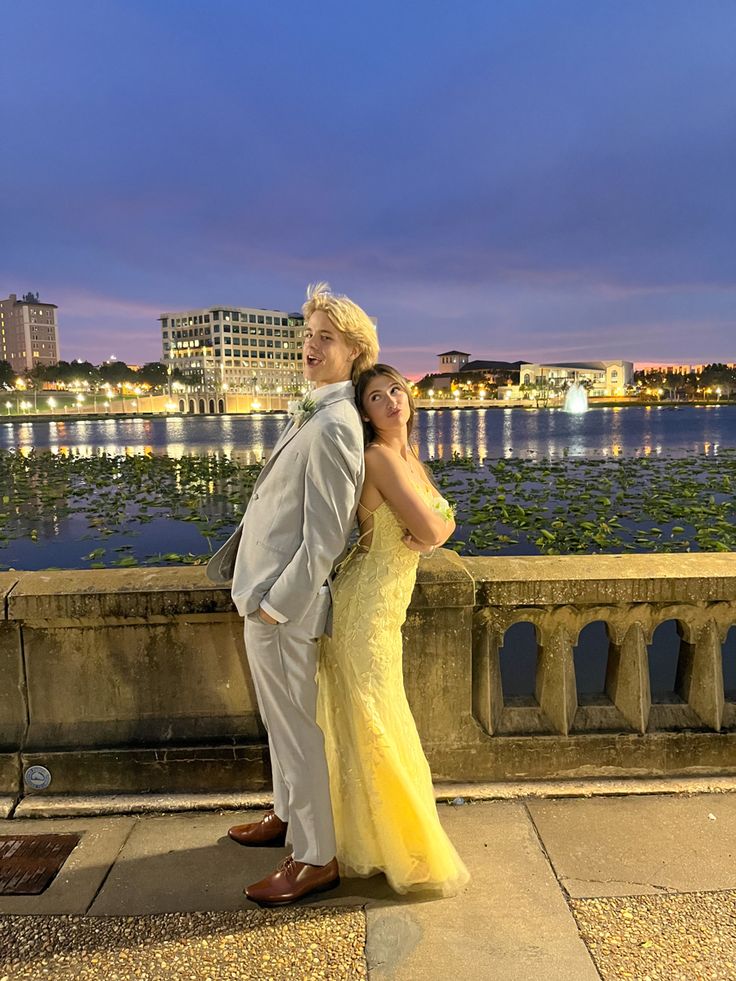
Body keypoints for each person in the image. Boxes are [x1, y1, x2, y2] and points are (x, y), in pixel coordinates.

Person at [208, 283, 379, 907]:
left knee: (297, 730)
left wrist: (276, 604)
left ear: (353, 350)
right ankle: (286, 815)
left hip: (285, 607)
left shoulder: (335, 425)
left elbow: (326, 537)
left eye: (324, 338)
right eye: (307, 336)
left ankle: (314, 857)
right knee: (278, 723)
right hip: (264, 596)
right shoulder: (313, 409)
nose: (309, 347)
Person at [316, 364, 470, 896]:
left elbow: (438, 526)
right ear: (364, 411)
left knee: (377, 715)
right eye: (376, 397)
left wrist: (434, 532)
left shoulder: (408, 458)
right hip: (364, 609)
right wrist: (433, 533)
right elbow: (433, 526)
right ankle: (385, 841)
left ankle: (373, 837)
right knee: (374, 716)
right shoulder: (379, 458)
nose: (390, 402)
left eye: (396, 391)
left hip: (385, 607)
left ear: (410, 398)